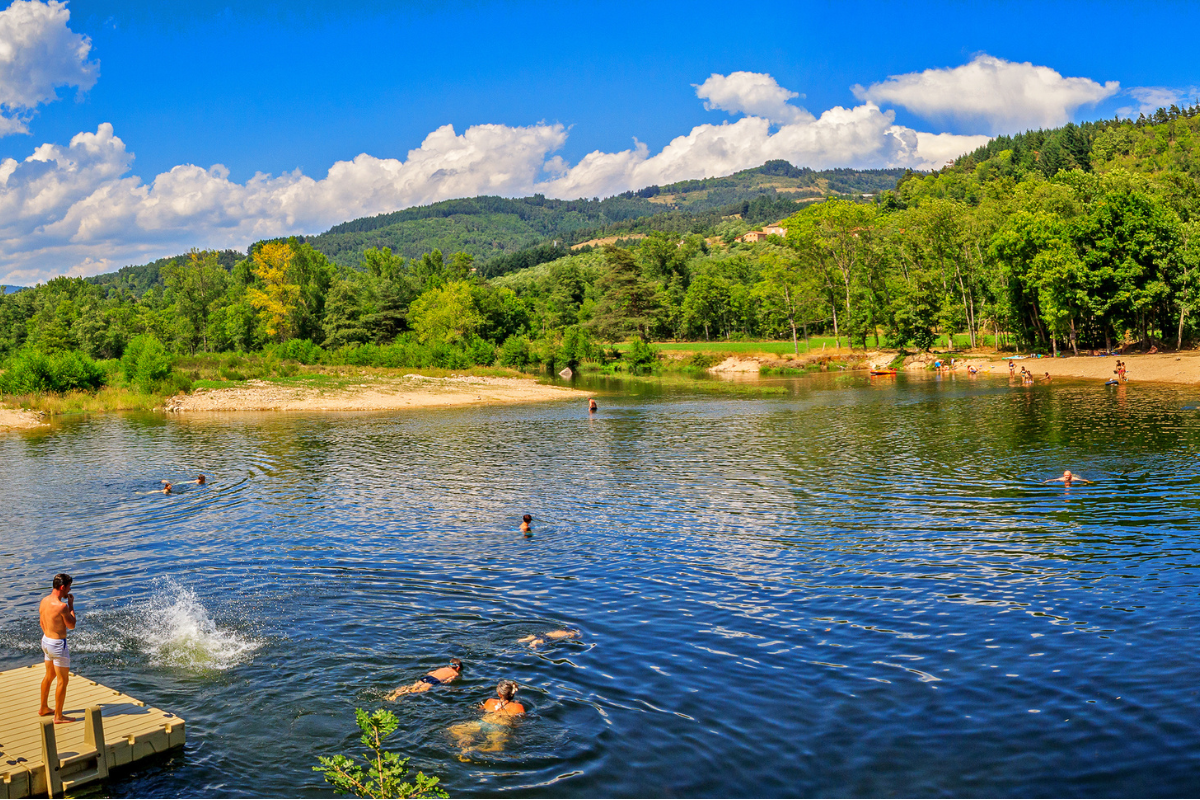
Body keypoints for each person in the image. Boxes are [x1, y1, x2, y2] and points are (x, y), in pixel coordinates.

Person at [448, 680, 526, 755]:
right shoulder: (518, 707)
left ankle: (466, 737)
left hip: (482, 723)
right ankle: (475, 749)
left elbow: (480, 710)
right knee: (497, 747)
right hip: (499, 728)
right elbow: (519, 722)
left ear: (499, 693)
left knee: (453, 729)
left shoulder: (490, 701)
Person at [38, 573, 76, 724]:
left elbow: (42, 622)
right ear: (62, 587)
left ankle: (43, 708)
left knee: (49, 676)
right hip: (58, 645)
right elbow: (71, 625)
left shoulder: (44, 601)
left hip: (46, 641)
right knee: (62, 681)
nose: (69, 590)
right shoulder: (62, 606)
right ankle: (58, 716)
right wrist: (71, 605)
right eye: (68, 587)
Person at [386, 659, 463, 699]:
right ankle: (401, 695)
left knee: (413, 686)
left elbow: (430, 672)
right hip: (434, 680)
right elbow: (449, 680)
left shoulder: (443, 668)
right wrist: (445, 683)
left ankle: (395, 692)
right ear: (458, 668)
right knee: (418, 691)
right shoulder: (455, 673)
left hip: (427, 677)